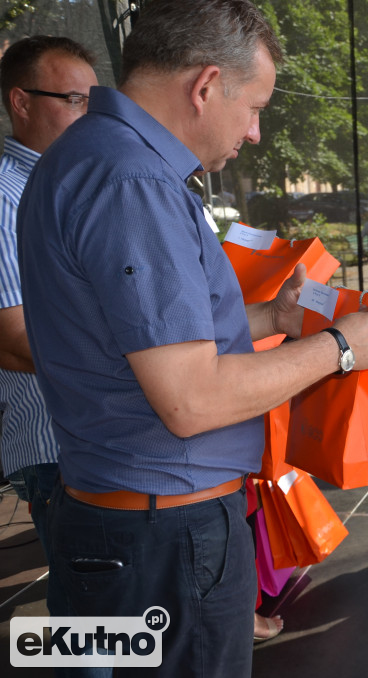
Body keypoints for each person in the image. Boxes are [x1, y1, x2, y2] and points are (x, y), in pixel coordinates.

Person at [16, 1, 368, 675]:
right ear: (205, 85)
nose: (253, 134)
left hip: (108, 522)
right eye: (254, 107)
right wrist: (338, 347)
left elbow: (135, 339)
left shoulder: (75, 158)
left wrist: (274, 322)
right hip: (167, 541)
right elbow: (191, 400)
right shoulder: (135, 183)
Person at [0, 35, 107, 678]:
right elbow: (15, 340)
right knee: (95, 628)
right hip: (58, 445)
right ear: (20, 102)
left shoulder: (69, 184)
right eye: (73, 100)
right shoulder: (6, 197)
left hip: (100, 437)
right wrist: (145, 361)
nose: (89, 116)